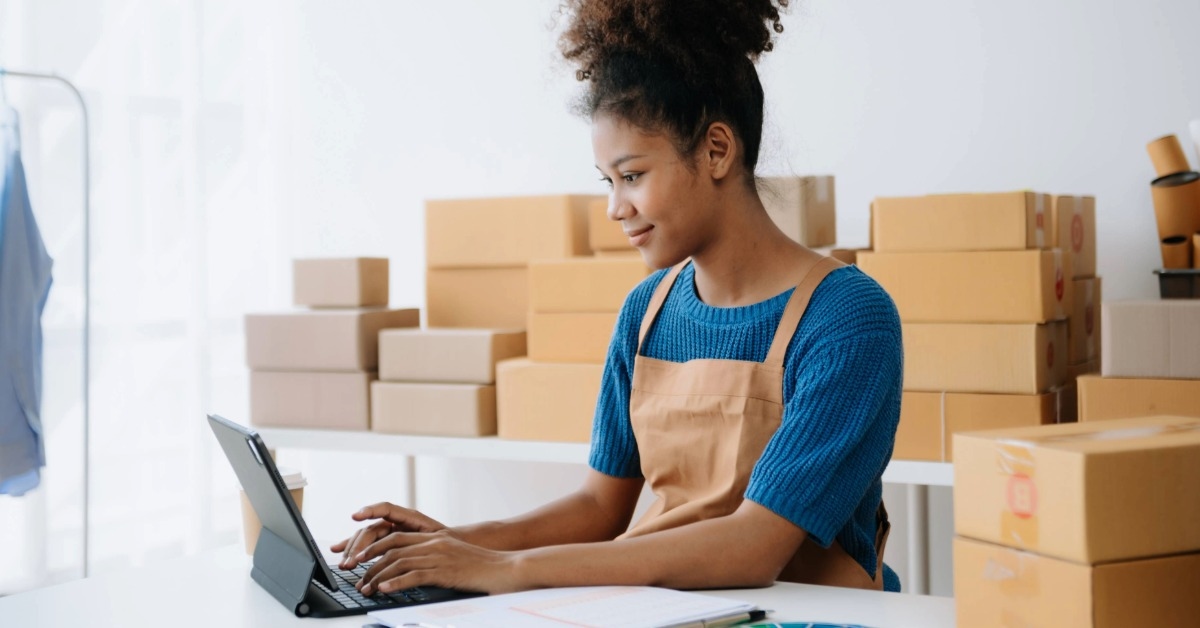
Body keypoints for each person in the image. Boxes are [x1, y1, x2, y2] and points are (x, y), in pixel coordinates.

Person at [332, 0, 903, 595]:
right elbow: (600, 506)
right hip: (657, 606)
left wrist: (506, 570)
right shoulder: (646, 312)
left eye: (631, 176)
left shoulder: (848, 320)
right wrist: (456, 542)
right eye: (607, 182)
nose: (614, 207)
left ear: (715, 151)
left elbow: (752, 547)